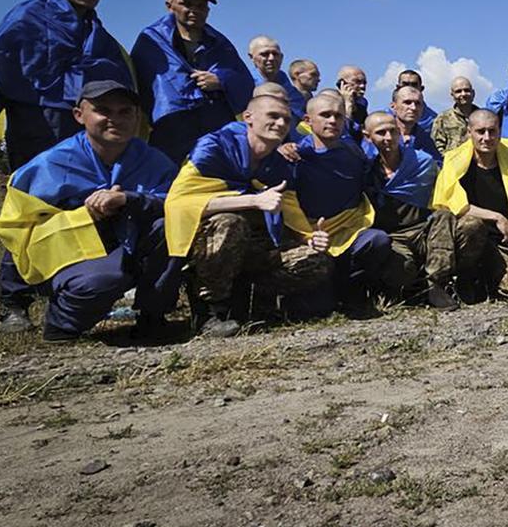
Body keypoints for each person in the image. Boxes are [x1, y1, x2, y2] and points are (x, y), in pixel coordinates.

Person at [0, 80, 181, 340]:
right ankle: (60, 325)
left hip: (129, 246)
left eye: (125, 111)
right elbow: (18, 229)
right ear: (79, 116)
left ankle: (152, 317)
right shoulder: (50, 164)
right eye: (103, 110)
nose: (115, 119)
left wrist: (129, 199)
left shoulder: (154, 161)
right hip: (72, 254)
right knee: (102, 281)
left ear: (137, 116)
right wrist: (84, 213)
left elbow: (176, 202)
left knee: (172, 224)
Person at [164, 94, 331, 337]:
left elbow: (290, 208)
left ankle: (252, 303)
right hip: (209, 241)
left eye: (286, 119)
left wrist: (309, 238)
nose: (281, 124)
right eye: (273, 116)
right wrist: (252, 200)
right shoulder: (214, 148)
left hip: (255, 247)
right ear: (248, 117)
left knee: (316, 260)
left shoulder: (277, 164)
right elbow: (179, 201)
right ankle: (210, 313)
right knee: (231, 222)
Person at [0, 0, 133, 171]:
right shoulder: (27, 18)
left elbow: (120, 82)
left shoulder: (100, 36)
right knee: (36, 196)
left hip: (85, 135)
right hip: (34, 129)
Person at [131, 0, 255, 165]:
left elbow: (242, 79)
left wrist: (221, 80)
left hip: (215, 123)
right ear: (169, 5)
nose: (195, 11)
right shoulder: (152, 40)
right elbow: (146, 85)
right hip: (172, 127)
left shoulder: (220, 43)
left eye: (201, 6)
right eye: (187, 4)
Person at [291, 94, 391, 318]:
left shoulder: (354, 153)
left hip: (350, 232)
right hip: (310, 236)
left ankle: (353, 293)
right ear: (308, 120)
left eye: (338, 116)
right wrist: (305, 236)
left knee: (379, 240)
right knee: (317, 309)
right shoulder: (295, 156)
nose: (332, 121)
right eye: (325, 115)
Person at [427, 108, 508, 304]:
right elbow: (450, 205)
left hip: (499, 243)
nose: (487, 137)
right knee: (472, 225)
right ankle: (457, 278)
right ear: (469, 133)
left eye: (492, 131)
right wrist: (497, 217)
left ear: (499, 132)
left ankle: (486, 281)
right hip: (465, 239)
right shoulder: (454, 163)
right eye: (480, 131)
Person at [363, 111, 444, 308]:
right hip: (394, 237)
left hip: (424, 232)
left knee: (447, 217)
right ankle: (411, 287)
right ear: (368, 136)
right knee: (402, 272)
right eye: (381, 133)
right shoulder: (365, 170)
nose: (388, 138)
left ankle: (437, 284)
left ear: (400, 132)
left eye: (393, 131)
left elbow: (444, 194)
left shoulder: (422, 162)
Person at [246, 35, 307, 118]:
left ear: (281, 57)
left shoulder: (287, 86)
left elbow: (298, 113)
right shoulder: (244, 83)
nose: (271, 58)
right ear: (251, 57)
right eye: (265, 54)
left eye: (275, 54)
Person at [391, 85, 443, 163]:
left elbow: (437, 166)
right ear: (393, 106)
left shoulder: (426, 140)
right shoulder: (381, 134)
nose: (413, 108)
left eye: (418, 103)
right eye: (407, 102)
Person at [431, 76, 477, 155]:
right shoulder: (443, 118)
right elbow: (436, 146)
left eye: (467, 90)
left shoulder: (483, 117)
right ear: (452, 95)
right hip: (452, 164)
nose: (463, 94)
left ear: (473, 93)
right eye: (458, 91)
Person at [394, 69, 438, 135]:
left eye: (414, 85)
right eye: (405, 84)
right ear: (398, 87)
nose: (409, 87)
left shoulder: (433, 120)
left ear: (421, 88)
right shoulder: (385, 116)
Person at [336, 65, 369, 130]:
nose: (362, 86)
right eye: (357, 82)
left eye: (364, 83)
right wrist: (348, 104)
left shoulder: (362, 104)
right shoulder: (331, 103)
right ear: (342, 83)